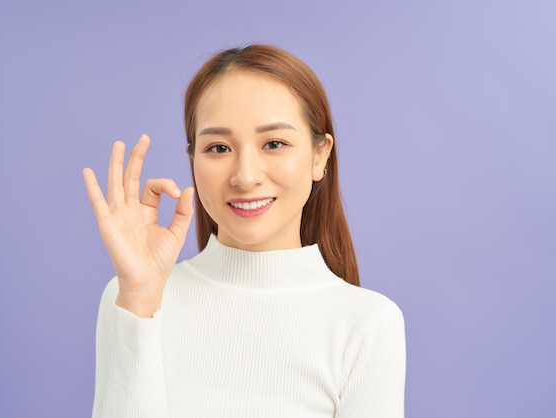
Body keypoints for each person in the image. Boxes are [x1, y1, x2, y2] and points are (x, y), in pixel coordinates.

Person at [83, 44, 406, 417]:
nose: (245, 176)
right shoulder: (132, 298)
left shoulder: (367, 324)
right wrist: (139, 297)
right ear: (193, 160)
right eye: (219, 147)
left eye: (274, 144)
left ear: (320, 155)